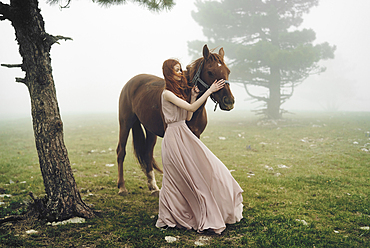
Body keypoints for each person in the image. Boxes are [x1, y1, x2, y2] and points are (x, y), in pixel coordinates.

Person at [156, 59, 243, 234]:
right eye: (176, 70)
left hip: (184, 135)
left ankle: (211, 203)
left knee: (208, 167)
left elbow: (188, 116)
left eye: (180, 70)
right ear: (168, 73)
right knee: (174, 179)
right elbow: (191, 107)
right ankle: (172, 214)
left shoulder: (178, 93)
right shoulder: (167, 94)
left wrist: (195, 95)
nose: (180, 73)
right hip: (173, 138)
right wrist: (209, 91)